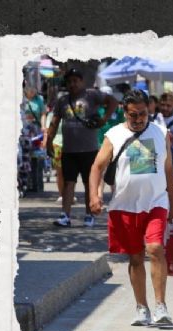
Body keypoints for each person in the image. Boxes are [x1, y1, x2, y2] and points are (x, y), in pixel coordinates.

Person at [88, 89, 173, 326]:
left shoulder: (162, 133)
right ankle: (141, 308)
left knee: (156, 248)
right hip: (124, 206)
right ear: (124, 113)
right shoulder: (114, 135)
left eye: (143, 114)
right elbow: (97, 167)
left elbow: (169, 170)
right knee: (135, 258)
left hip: (156, 203)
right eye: (133, 115)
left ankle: (160, 306)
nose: (138, 120)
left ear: (150, 110)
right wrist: (93, 196)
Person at [46, 67, 118, 227]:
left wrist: (105, 118)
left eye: (75, 81)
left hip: (89, 149)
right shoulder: (62, 100)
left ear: (81, 82)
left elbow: (113, 101)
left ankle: (89, 215)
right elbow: (55, 121)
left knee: (88, 183)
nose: (73, 84)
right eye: (70, 81)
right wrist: (49, 141)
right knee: (68, 183)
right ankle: (65, 215)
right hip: (69, 150)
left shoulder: (92, 95)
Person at [22, 86, 47, 192]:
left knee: (36, 157)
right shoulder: (20, 97)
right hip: (23, 129)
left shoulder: (39, 99)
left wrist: (43, 126)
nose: (32, 90)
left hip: (35, 130)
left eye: (34, 89)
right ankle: (25, 184)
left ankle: (37, 184)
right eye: (30, 88)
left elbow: (43, 114)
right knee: (24, 156)